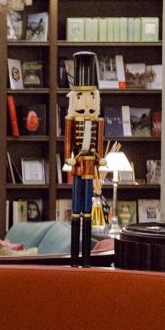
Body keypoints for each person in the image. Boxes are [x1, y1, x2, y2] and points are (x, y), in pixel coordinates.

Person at [63, 51, 103, 267]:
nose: (85, 100)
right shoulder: (71, 120)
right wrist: (69, 158)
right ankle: (74, 260)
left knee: (87, 211)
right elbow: (68, 143)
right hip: (78, 165)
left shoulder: (98, 121)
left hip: (90, 164)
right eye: (80, 95)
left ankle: (86, 260)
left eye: (90, 95)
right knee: (76, 210)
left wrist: (101, 159)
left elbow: (99, 144)